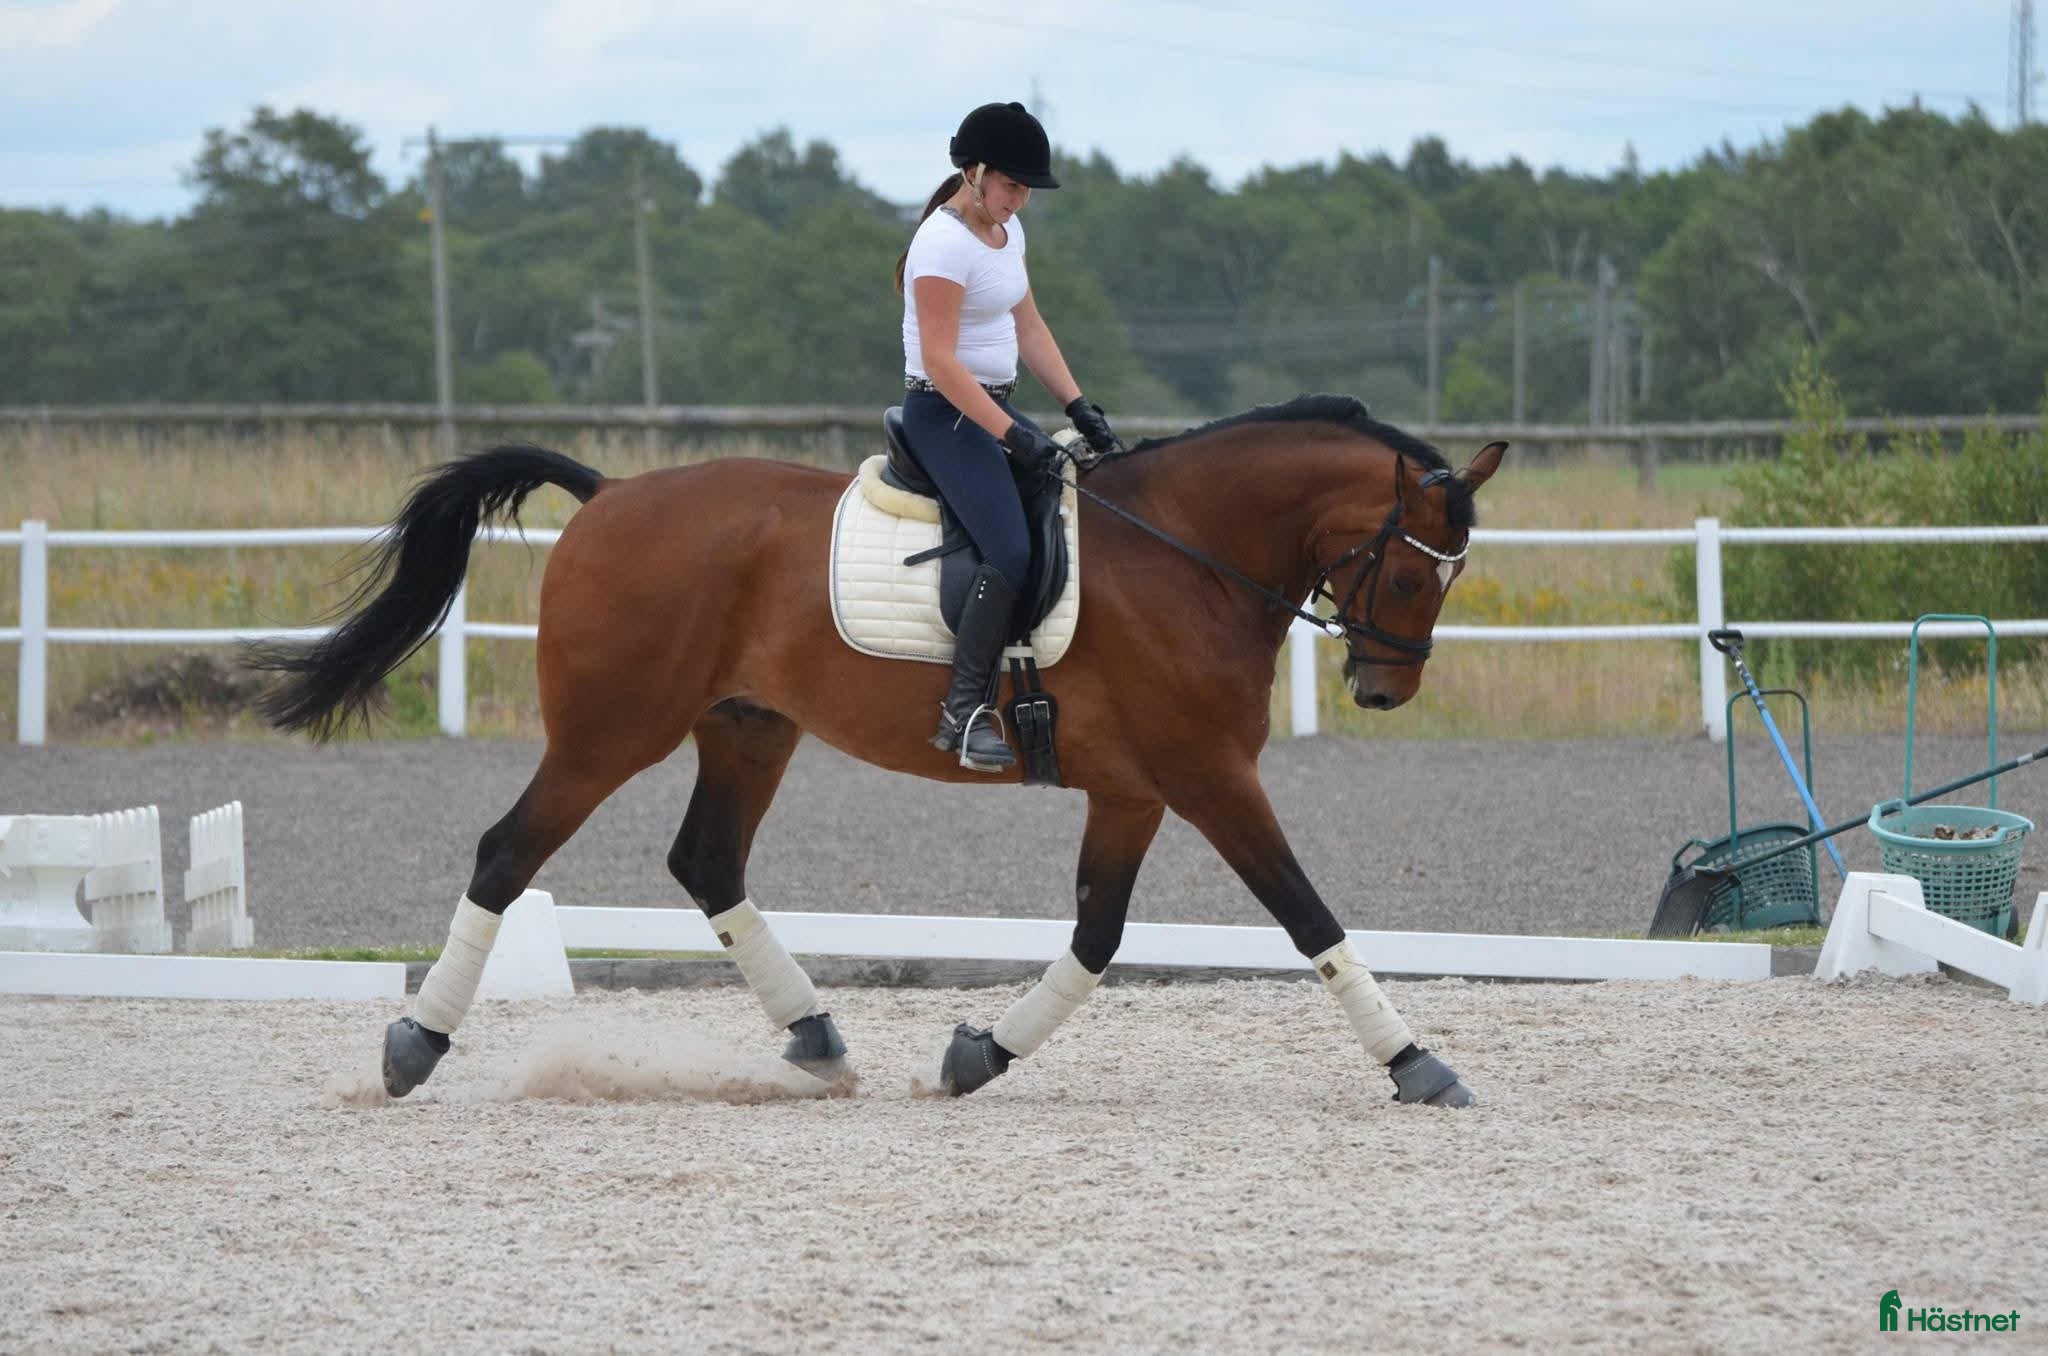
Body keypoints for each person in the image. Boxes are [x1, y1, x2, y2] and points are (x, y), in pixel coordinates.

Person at [894, 101, 1124, 773]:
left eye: (1027, 190)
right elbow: (940, 361)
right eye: (1012, 186)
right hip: (943, 414)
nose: (1020, 200)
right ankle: (962, 711)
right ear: (976, 172)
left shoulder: (1006, 233)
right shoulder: (942, 245)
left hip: (993, 407)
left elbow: (1029, 328)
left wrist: (1078, 407)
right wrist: (1012, 437)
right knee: (1010, 550)